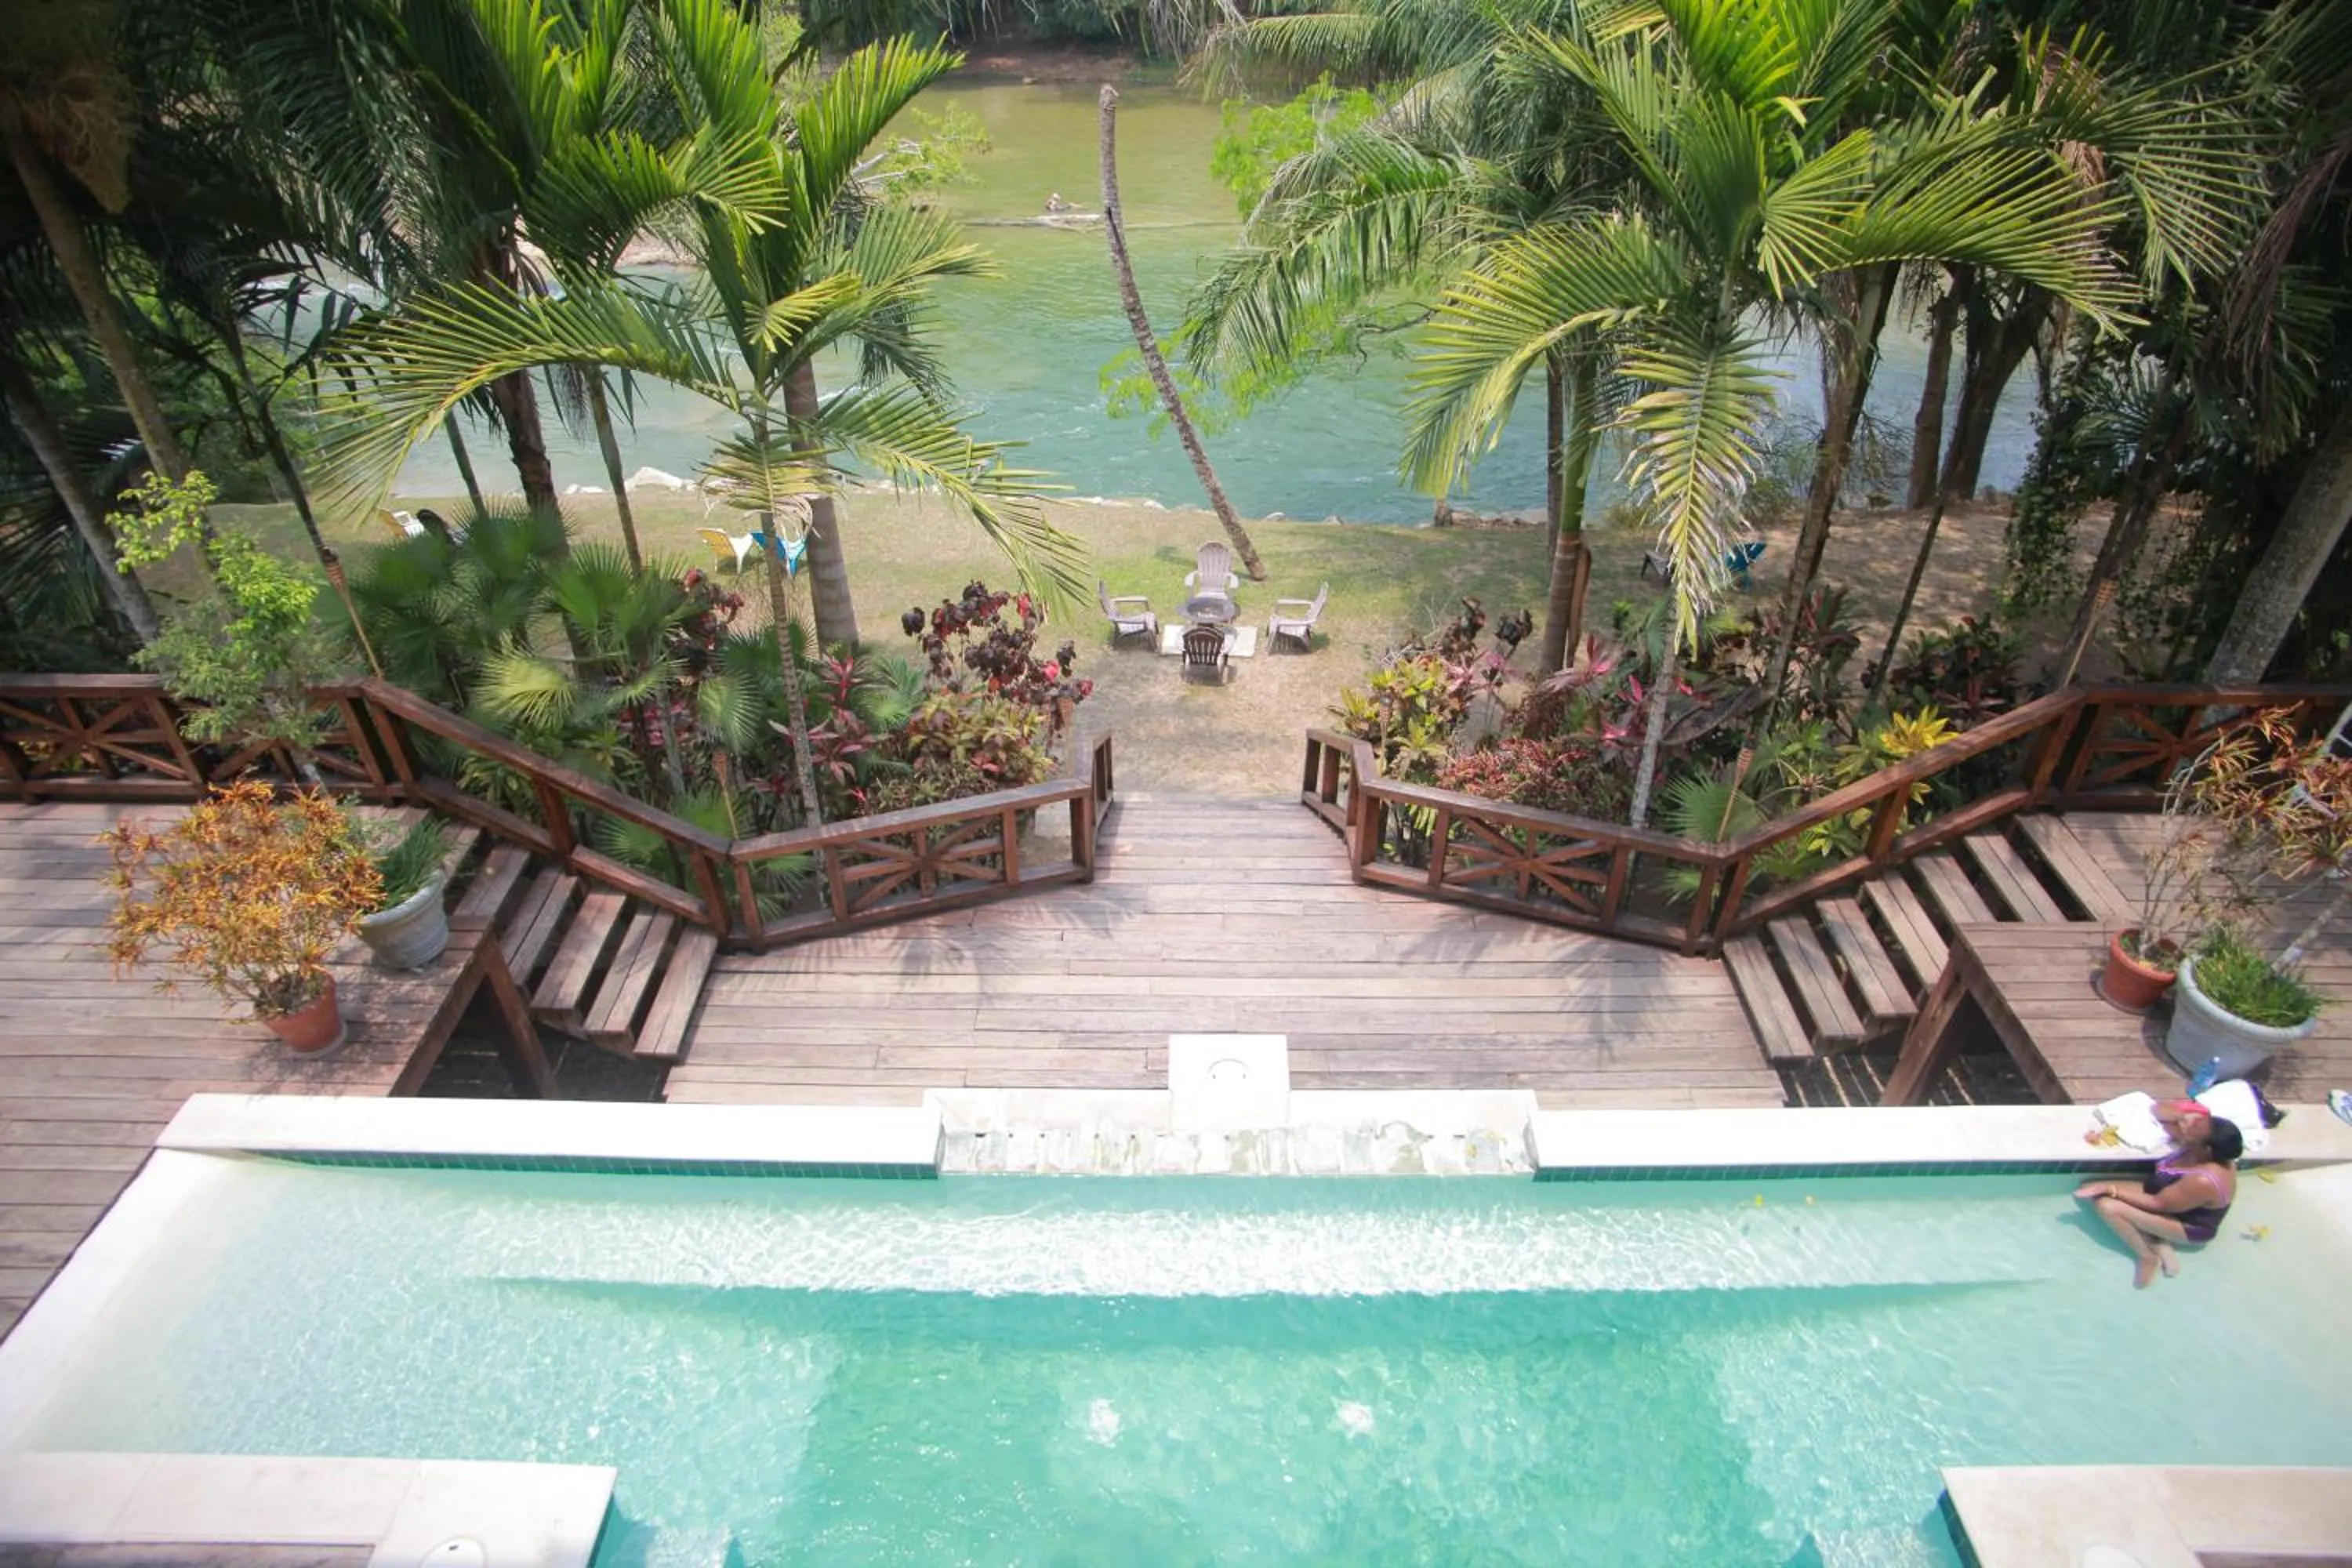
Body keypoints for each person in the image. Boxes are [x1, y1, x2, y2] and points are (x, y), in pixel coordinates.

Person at [2074, 1102, 2242, 1289]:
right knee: (2089, 1187)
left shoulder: (2204, 1180)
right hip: (2165, 1197)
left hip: (2186, 1224)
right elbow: (2156, 1110)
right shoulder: (2197, 1145)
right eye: (2197, 1120)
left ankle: (2147, 1256)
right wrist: (2180, 1116)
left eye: (2197, 1125)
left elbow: (2158, 1204)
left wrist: (2111, 1189)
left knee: (2107, 1206)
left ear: (2207, 1149)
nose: (2192, 1122)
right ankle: (2159, 1240)